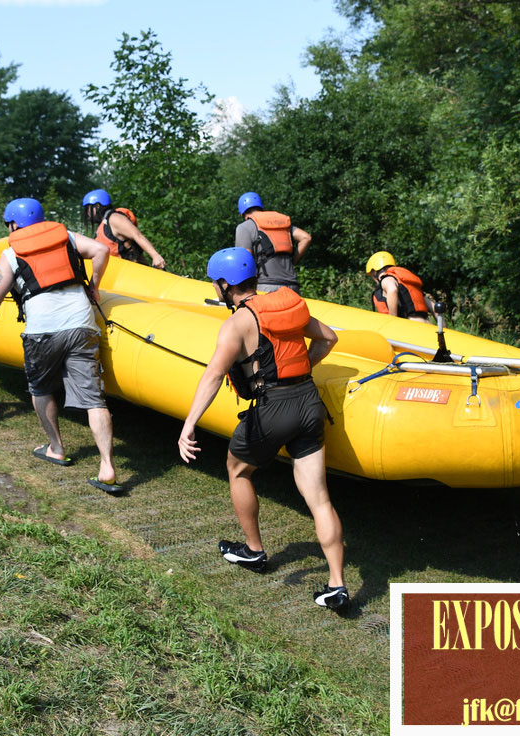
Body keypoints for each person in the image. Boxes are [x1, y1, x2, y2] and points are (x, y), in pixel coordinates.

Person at [178, 247, 349, 610]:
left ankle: (254, 551)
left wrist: (189, 424)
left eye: (215, 283)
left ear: (225, 285)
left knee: (238, 469)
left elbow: (214, 374)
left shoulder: (238, 322)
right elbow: (328, 338)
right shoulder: (285, 305)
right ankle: (337, 584)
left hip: (273, 407)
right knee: (319, 498)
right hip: (308, 401)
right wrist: (303, 370)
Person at [0, 198, 122, 493]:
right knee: (94, 399)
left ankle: (56, 448)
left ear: (13, 225)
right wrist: (94, 286)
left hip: (42, 332)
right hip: (81, 325)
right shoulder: (68, 238)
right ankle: (107, 467)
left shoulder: (11, 254)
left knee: (41, 388)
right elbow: (102, 250)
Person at [234, 192, 310, 293]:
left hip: (266, 286)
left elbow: (244, 260)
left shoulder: (245, 227)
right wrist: (293, 261)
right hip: (292, 286)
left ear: (242, 213)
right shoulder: (280, 223)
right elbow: (306, 238)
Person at [81, 188, 167, 269]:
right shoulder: (104, 225)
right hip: (121, 275)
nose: (87, 214)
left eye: (88, 209)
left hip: (135, 270)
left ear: (98, 206)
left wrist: (155, 255)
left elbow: (137, 235)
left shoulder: (114, 218)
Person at [365, 251, 437, 322]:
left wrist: (393, 321)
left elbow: (392, 289)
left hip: (411, 327)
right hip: (427, 327)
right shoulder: (409, 285)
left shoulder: (386, 279)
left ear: (374, 272)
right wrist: (443, 330)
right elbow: (434, 307)